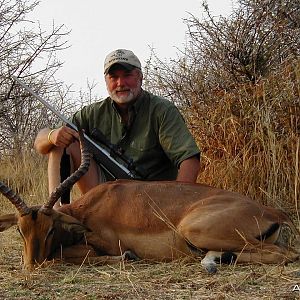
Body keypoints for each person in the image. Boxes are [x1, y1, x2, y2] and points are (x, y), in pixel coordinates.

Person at [34, 49, 200, 205]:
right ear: (106, 81)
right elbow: (40, 142)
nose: (121, 83)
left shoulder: (162, 110)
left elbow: (189, 159)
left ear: (140, 77)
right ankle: (53, 214)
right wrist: (52, 135)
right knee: (61, 142)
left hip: (152, 201)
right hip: (108, 200)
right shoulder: (92, 113)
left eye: (127, 75)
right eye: (114, 77)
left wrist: (177, 204)